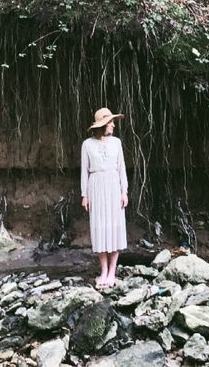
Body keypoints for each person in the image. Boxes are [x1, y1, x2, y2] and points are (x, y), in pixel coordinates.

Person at [81, 107, 128, 287]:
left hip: (113, 185)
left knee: (115, 227)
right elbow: (84, 171)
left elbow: (121, 168)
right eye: (110, 122)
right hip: (96, 185)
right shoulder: (87, 145)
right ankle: (103, 270)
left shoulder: (117, 143)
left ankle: (112, 272)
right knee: (99, 227)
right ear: (102, 125)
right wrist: (84, 194)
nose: (113, 125)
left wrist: (124, 191)